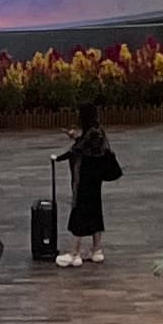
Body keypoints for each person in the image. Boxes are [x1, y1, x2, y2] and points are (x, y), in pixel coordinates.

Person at [61, 105, 119, 268]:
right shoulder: (98, 133)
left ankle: (74, 252)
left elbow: (77, 151)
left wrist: (61, 155)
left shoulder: (90, 135)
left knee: (80, 212)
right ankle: (96, 249)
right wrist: (76, 137)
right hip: (96, 181)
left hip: (85, 181)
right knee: (95, 211)